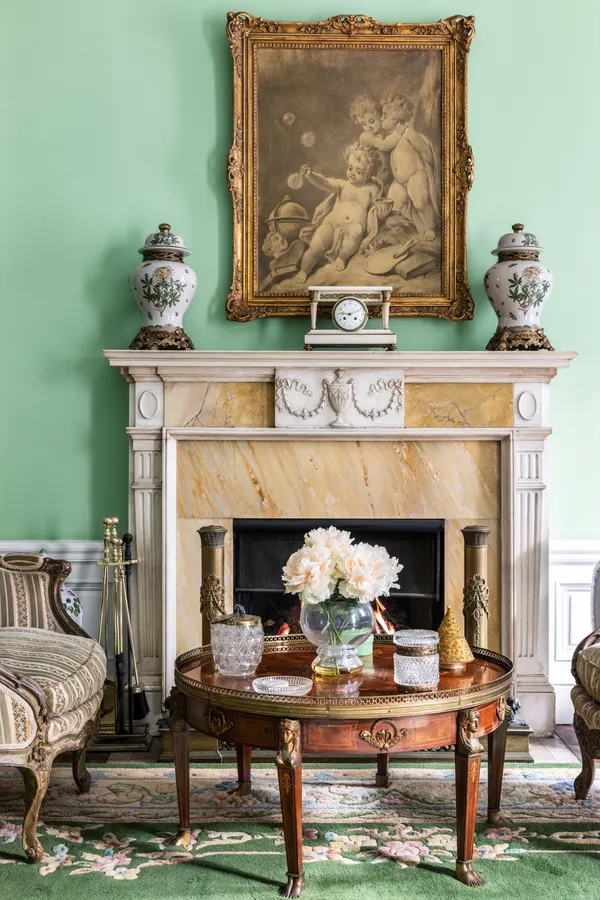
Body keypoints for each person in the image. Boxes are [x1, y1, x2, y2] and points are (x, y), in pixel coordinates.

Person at [295, 142, 383, 283]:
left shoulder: (372, 189)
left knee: (356, 232)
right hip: (332, 223)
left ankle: (342, 257)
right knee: (316, 247)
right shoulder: (343, 184)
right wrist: (311, 175)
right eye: (350, 168)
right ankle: (304, 270)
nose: (352, 174)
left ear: (369, 173)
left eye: (359, 172)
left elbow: (377, 211)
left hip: (353, 227)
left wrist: (382, 210)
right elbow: (325, 183)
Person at [359, 92, 439, 237]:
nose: (381, 119)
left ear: (395, 119)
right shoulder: (391, 136)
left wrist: (427, 170)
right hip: (399, 181)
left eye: (384, 116)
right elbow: (385, 146)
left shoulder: (408, 133)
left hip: (415, 175)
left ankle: (429, 227)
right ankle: (416, 227)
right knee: (394, 205)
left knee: (420, 201)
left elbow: (426, 151)